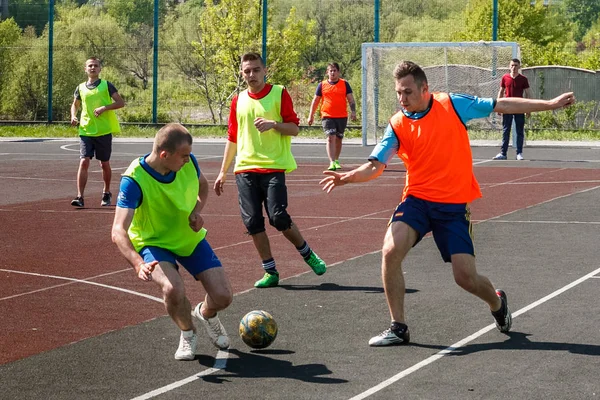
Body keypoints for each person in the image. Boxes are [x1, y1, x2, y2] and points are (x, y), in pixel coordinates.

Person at [320, 61, 575, 347]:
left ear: (425, 89)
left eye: (407, 92)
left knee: (465, 278)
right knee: (390, 251)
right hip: (417, 200)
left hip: (453, 205)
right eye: (398, 93)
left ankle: (496, 302)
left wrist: (550, 104)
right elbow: (375, 166)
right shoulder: (397, 124)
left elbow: (501, 105)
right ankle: (398, 327)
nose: (402, 99)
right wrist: (348, 177)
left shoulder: (452, 104)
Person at [111, 123, 233, 360]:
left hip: (187, 237)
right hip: (153, 241)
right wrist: (138, 263)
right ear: (164, 155)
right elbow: (118, 231)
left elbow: (203, 186)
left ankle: (205, 313)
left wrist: (196, 211)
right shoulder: (134, 179)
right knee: (172, 288)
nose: (188, 160)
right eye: (184, 156)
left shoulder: (189, 163)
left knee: (223, 297)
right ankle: (188, 333)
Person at [213, 52, 327, 289]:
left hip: (273, 167)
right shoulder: (238, 100)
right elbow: (232, 138)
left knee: (278, 217)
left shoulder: (279, 93)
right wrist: (222, 172)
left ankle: (307, 253)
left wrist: (273, 125)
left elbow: (295, 129)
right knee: (253, 223)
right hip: (244, 169)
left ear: (264, 71)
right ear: (242, 73)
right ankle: (270, 271)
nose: (251, 74)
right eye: (247, 71)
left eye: (256, 69)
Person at [70, 56, 125, 208]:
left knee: (104, 163)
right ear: (85, 69)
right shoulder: (80, 87)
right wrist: (73, 115)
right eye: (90, 66)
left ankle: (106, 192)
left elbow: (121, 103)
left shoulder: (107, 85)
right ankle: (80, 197)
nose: (93, 68)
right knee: (84, 161)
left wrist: (104, 107)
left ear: (100, 69)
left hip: (103, 131)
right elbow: (75, 105)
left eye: (95, 65)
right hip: (86, 130)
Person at [307, 62, 357, 171]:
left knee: (339, 138)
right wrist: (310, 115)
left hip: (341, 116)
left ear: (338, 72)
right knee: (330, 137)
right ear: (327, 72)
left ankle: (337, 160)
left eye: (335, 70)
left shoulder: (345, 84)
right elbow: (315, 101)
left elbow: (351, 100)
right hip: (327, 116)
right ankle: (331, 161)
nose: (333, 73)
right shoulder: (322, 85)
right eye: (331, 71)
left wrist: (353, 112)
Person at [493, 58, 532, 161]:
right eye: (512, 65)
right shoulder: (505, 77)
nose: (514, 67)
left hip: (519, 107)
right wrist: (498, 106)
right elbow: (501, 92)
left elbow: (528, 93)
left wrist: (529, 108)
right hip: (507, 107)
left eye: (516, 65)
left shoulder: (523, 79)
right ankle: (503, 153)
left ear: (519, 67)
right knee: (506, 130)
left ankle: (519, 153)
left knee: (519, 131)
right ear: (509, 66)